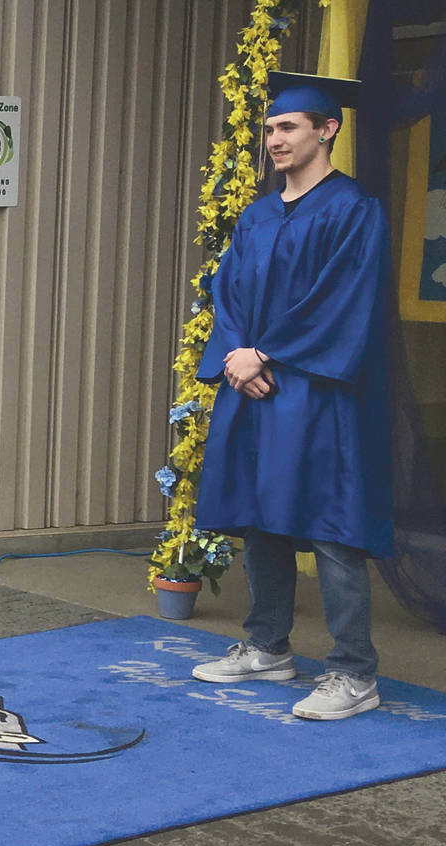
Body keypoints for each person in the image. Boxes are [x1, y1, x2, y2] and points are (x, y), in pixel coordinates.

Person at [188, 73, 393, 722]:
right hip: (255, 386)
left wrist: (265, 353)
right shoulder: (256, 215)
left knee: (331, 523)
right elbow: (228, 297)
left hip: (316, 388)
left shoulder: (353, 210)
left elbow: (343, 300)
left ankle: (355, 673)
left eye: (288, 128)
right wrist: (236, 357)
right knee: (259, 515)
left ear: (327, 129)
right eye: (270, 129)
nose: (273, 139)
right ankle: (267, 647)